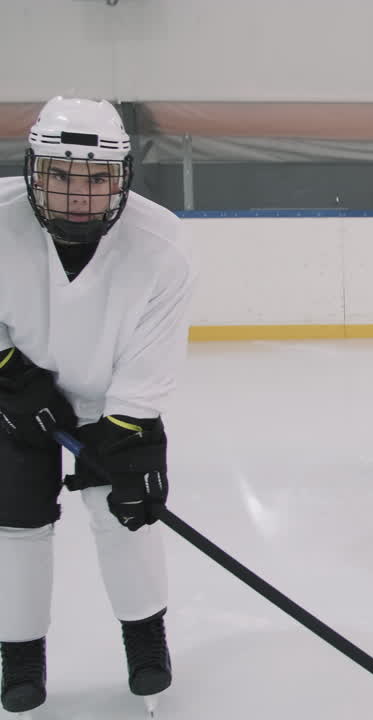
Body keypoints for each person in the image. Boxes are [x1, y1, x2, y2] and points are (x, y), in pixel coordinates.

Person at [0, 97, 194, 714]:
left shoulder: (161, 243)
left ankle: (146, 642)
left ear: (122, 175)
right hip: (14, 398)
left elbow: (154, 349)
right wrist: (8, 373)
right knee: (16, 527)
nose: (78, 192)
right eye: (61, 174)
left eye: (96, 177)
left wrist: (130, 427)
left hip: (114, 400)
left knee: (127, 518)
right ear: (35, 170)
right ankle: (21, 656)